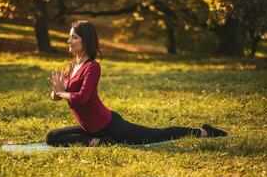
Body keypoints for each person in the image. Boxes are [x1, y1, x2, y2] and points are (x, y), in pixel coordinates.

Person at [46, 20, 227, 147]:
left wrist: (62, 93)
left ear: (86, 41)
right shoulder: (71, 66)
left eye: (74, 37)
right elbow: (57, 96)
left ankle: (204, 131)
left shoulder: (92, 67)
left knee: (158, 135)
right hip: (90, 128)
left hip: (109, 125)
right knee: (52, 137)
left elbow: (82, 98)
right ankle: (99, 143)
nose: (69, 41)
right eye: (70, 37)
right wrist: (56, 92)